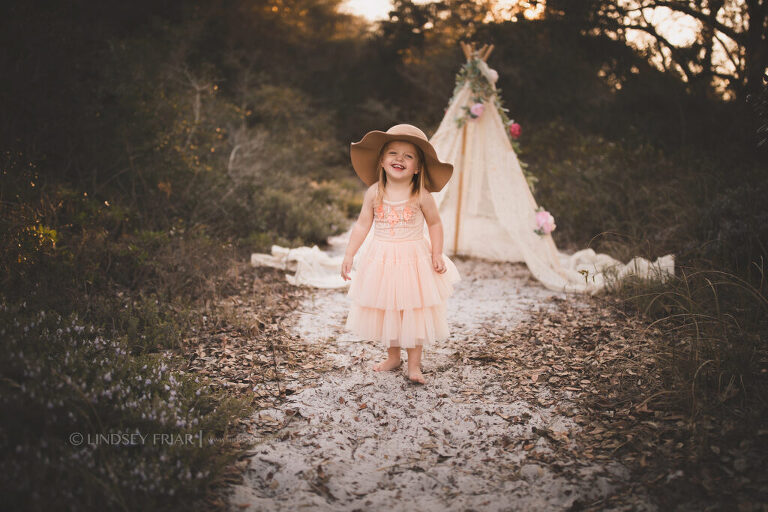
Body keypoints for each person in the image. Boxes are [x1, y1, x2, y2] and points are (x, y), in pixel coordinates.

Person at [341, 124, 460, 384]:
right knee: (388, 310)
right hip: (381, 259)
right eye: (393, 153)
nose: (399, 159)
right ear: (382, 161)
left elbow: (435, 224)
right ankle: (393, 357)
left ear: (417, 167)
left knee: (412, 311)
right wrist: (350, 253)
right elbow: (362, 224)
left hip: (413, 260)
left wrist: (437, 253)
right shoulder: (374, 192)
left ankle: (414, 365)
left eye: (408, 156)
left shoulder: (421, 195)